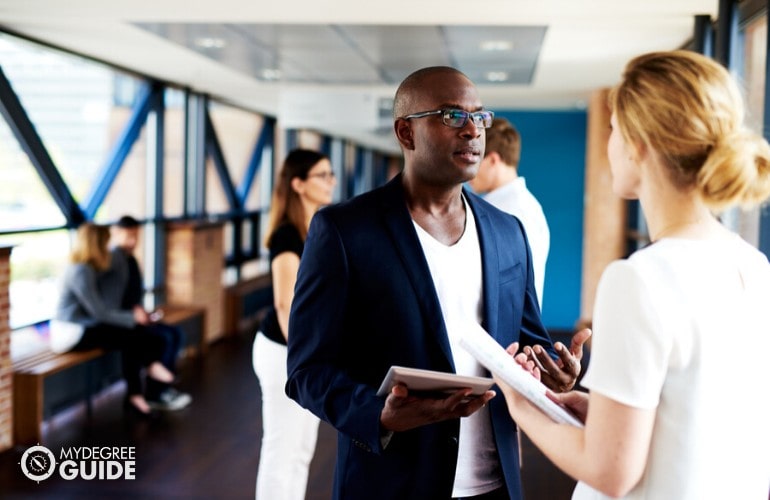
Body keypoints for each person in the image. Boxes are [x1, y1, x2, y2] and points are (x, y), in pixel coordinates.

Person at [285, 66, 590, 500]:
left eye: (479, 117)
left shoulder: (508, 232)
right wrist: (379, 414)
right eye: (451, 116)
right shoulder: (344, 231)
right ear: (405, 133)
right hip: (391, 483)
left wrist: (553, 374)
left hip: (495, 482)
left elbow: (526, 341)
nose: (472, 130)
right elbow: (306, 371)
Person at [495, 50, 770, 500]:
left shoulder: (641, 278)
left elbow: (610, 471)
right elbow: (707, 417)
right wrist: (605, 414)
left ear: (638, 144)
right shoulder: (753, 266)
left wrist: (521, 404)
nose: (610, 144)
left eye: (614, 130)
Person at [252, 149, 337, 500]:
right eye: (322, 175)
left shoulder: (313, 230)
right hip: (284, 353)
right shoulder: (287, 236)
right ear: (299, 184)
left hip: (301, 351)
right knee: (281, 450)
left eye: (330, 174)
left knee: (301, 450)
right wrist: (305, 361)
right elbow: (285, 304)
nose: (331, 181)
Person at [50, 222, 180, 416]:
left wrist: (132, 317)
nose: (108, 249)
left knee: (131, 337)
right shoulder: (80, 271)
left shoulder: (88, 268)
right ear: (96, 244)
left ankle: (136, 393)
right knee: (130, 334)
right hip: (71, 333)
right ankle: (148, 371)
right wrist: (132, 317)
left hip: (84, 327)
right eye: (104, 243)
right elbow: (99, 312)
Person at [103, 215, 192, 411]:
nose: (133, 241)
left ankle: (160, 390)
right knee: (163, 338)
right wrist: (133, 315)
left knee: (175, 333)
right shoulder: (114, 259)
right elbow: (109, 302)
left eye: (136, 236)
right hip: (122, 322)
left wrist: (142, 312)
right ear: (115, 233)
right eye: (129, 236)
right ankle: (155, 393)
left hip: (134, 317)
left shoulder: (130, 260)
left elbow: (133, 294)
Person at [468, 118, 550, 306]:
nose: (469, 170)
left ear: (493, 160)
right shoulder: (526, 206)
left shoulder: (511, 212)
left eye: (474, 157)